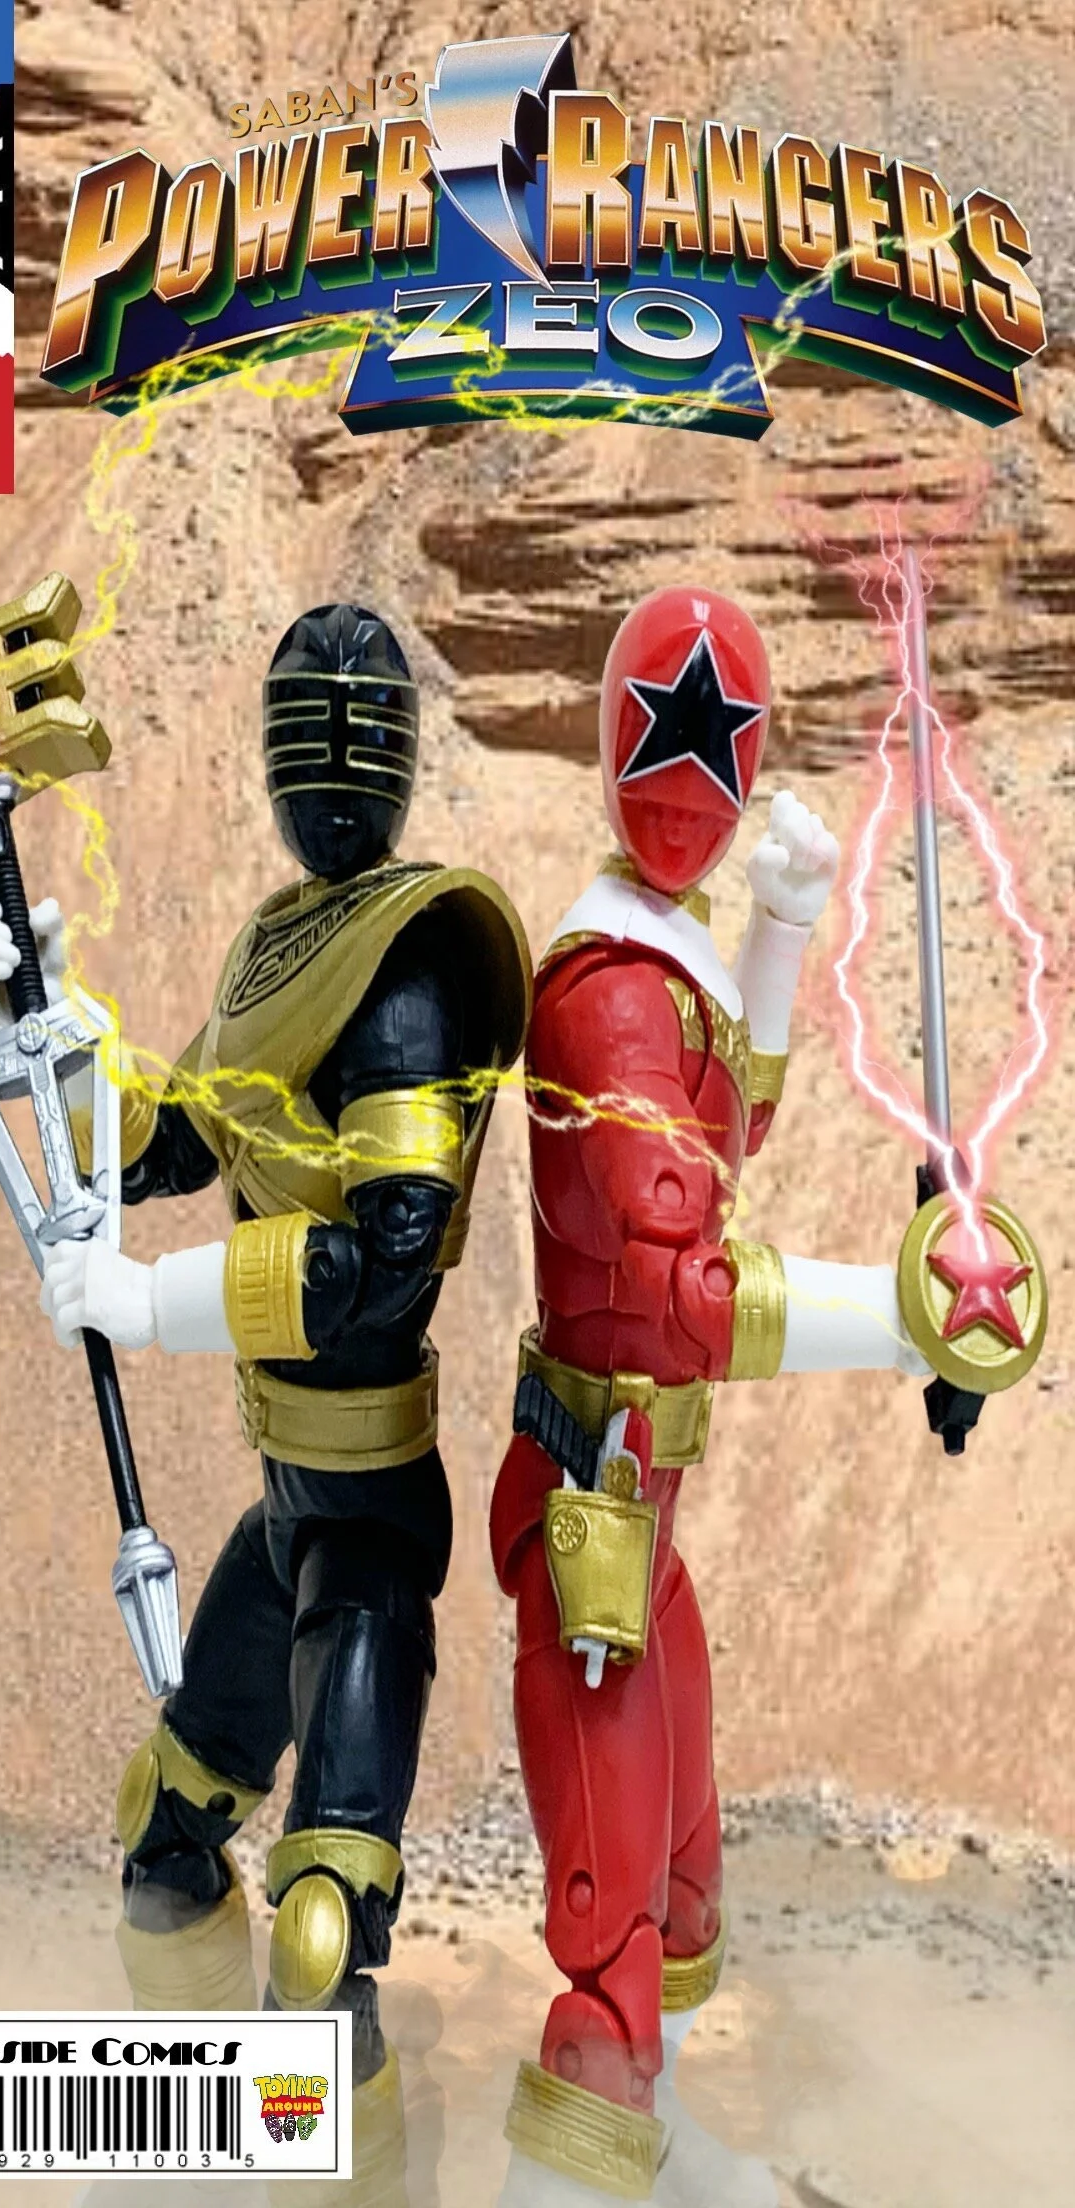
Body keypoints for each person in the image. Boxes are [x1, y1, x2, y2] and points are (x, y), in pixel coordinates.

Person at [0, 604, 531, 2181]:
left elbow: (386, 1259)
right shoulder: (280, 943)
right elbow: (176, 1137)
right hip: (286, 1514)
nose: (327, 778)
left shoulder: (408, 969)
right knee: (163, 1833)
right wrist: (53, 1033)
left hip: (366, 1531)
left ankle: (346, 2179)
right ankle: (206, 2138)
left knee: (320, 1922)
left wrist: (148, 1304)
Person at [490, 585, 928, 2206]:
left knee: (677, 1898)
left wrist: (778, 932)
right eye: (672, 763)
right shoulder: (608, 993)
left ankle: (665, 2170)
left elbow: (716, 1137)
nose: (688, 796)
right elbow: (679, 1286)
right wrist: (896, 1320)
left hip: (641, 1522)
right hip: (595, 1513)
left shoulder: (653, 974)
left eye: (711, 764)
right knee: (608, 1957)